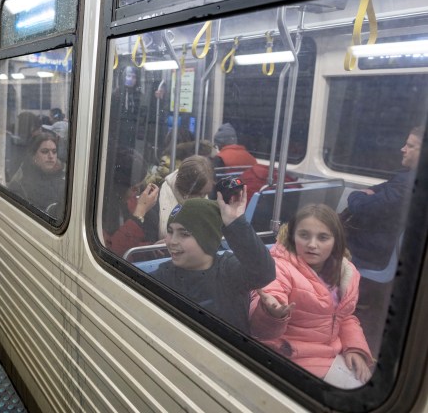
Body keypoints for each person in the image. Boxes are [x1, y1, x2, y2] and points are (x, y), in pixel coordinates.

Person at [249, 204, 373, 385]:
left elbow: (344, 317)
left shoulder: (345, 272)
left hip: (330, 352)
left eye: (323, 237)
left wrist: (354, 348)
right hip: (292, 355)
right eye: (304, 235)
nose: (312, 244)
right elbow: (263, 326)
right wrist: (271, 314)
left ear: (335, 241)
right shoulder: (278, 268)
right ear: (292, 237)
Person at [151, 192, 276, 333]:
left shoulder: (229, 270)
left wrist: (236, 224)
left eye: (184, 234)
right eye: (170, 231)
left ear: (207, 238)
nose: (172, 241)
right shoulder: (162, 277)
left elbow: (265, 273)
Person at [343, 126, 424, 269]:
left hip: (373, 249)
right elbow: (379, 188)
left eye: (410, 146)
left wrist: (357, 194)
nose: (402, 149)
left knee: (318, 245)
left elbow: (362, 208)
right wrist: (369, 194)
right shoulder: (406, 177)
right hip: (378, 242)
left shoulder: (406, 183)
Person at [103, 148, 160, 258]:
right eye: (134, 189)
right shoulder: (99, 210)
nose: (138, 193)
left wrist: (150, 248)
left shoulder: (122, 202)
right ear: (118, 186)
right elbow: (113, 252)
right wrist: (140, 212)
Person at [8, 132, 65, 219]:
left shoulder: (63, 181)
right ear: (33, 156)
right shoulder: (20, 186)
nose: (51, 156)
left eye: (54, 152)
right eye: (45, 152)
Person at [158, 155, 215, 239]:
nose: (203, 198)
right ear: (186, 190)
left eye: (206, 194)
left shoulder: (209, 196)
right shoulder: (157, 201)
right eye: (199, 194)